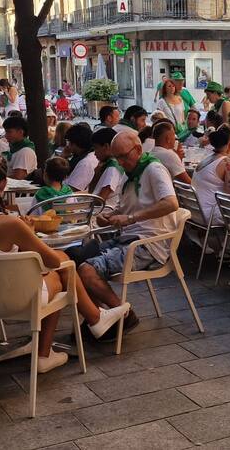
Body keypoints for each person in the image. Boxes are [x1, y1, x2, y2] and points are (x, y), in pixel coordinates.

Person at [0, 154, 130, 367]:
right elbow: (52, 261)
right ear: (3, 183)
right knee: (62, 268)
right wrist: (27, 232)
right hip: (11, 301)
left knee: (59, 264)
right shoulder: (9, 224)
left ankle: (92, 320)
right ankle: (55, 346)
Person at [73, 131, 185, 337]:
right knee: (75, 260)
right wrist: (109, 215)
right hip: (128, 238)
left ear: (138, 150)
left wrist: (131, 218)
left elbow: (171, 203)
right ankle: (98, 317)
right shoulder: (130, 172)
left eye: (124, 156)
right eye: (117, 158)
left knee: (87, 271)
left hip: (148, 244)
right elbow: (125, 208)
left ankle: (124, 315)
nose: (121, 162)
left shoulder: (154, 169)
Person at [192, 127, 230, 235]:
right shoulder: (226, 162)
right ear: (229, 144)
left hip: (194, 210)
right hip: (208, 213)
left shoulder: (206, 158)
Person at [63, 124, 99, 192]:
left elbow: (73, 189)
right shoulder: (87, 156)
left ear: (74, 144)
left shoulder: (86, 163)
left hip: (69, 197)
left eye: (68, 142)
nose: (67, 145)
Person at [1, 116, 37, 181]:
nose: (6, 135)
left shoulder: (25, 152)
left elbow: (18, 178)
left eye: (9, 132)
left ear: (20, 132)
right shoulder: (12, 148)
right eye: (6, 132)